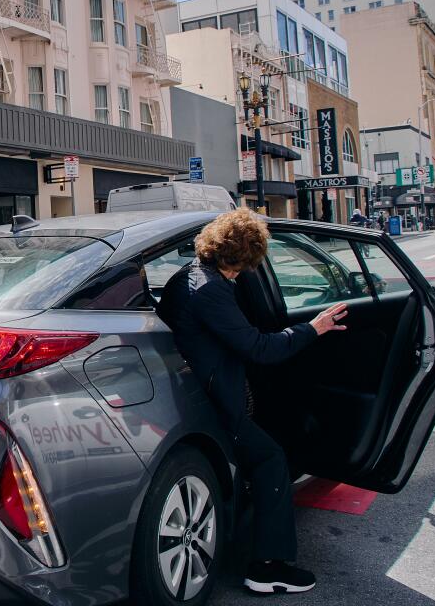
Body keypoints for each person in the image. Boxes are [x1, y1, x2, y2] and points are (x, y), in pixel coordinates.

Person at [157, 209, 347, 595]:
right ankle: (267, 567)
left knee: (267, 451)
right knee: (270, 459)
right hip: (219, 401)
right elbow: (259, 348)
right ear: (246, 257)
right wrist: (313, 328)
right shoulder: (211, 289)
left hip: (201, 390)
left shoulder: (187, 277)